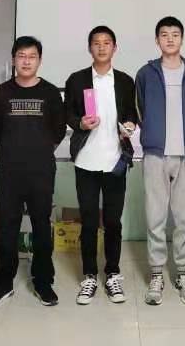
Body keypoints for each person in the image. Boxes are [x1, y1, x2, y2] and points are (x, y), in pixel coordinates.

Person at [0, 36, 67, 307]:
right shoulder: (2, 92)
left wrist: (37, 150)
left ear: (39, 60)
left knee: (42, 224)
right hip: (9, 170)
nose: (26, 61)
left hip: (41, 170)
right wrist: (16, 148)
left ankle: (43, 281)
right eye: (21, 56)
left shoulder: (51, 93)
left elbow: (58, 130)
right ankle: (3, 282)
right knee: (8, 225)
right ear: (13, 60)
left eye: (32, 56)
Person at [135, 16, 185, 305]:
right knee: (155, 217)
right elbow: (140, 108)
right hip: (155, 154)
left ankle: (183, 272)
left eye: (175, 34)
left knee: (184, 219)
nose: (170, 39)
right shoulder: (146, 73)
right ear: (157, 40)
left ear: (182, 39)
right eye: (164, 35)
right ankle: (156, 273)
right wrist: (153, 133)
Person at [64, 26, 138, 305]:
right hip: (86, 161)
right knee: (89, 221)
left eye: (107, 43)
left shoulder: (125, 80)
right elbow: (68, 113)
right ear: (89, 48)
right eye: (96, 43)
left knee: (113, 222)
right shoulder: (77, 79)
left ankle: (113, 273)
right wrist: (80, 123)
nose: (102, 47)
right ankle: (89, 275)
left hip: (116, 161)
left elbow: (132, 113)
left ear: (114, 48)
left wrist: (130, 124)